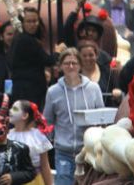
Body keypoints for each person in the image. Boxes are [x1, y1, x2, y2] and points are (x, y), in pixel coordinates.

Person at [43, 48, 104, 185]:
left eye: (74, 63)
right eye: (67, 63)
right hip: (64, 152)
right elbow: (47, 121)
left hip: (88, 152)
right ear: (60, 67)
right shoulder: (53, 92)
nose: (71, 66)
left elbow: (101, 117)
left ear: (80, 66)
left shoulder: (93, 88)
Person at [8, 8, 63, 110]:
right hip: (27, 90)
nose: (33, 24)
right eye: (29, 21)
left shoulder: (23, 39)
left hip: (27, 88)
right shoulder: (26, 40)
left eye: (35, 21)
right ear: (22, 23)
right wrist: (58, 52)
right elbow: (47, 60)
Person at [8, 100, 54, 185]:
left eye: (15, 109)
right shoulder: (8, 135)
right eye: (11, 108)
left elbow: (45, 165)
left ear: (25, 115)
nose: (10, 111)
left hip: (33, 180)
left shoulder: (38, 136)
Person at [77, 40, 121, 107]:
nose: (88, 58)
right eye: (84, 56)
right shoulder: (75, 73)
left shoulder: (107, 72)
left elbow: (119, 93)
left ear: (97, 56)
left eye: (91, 55)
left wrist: (118, 95)